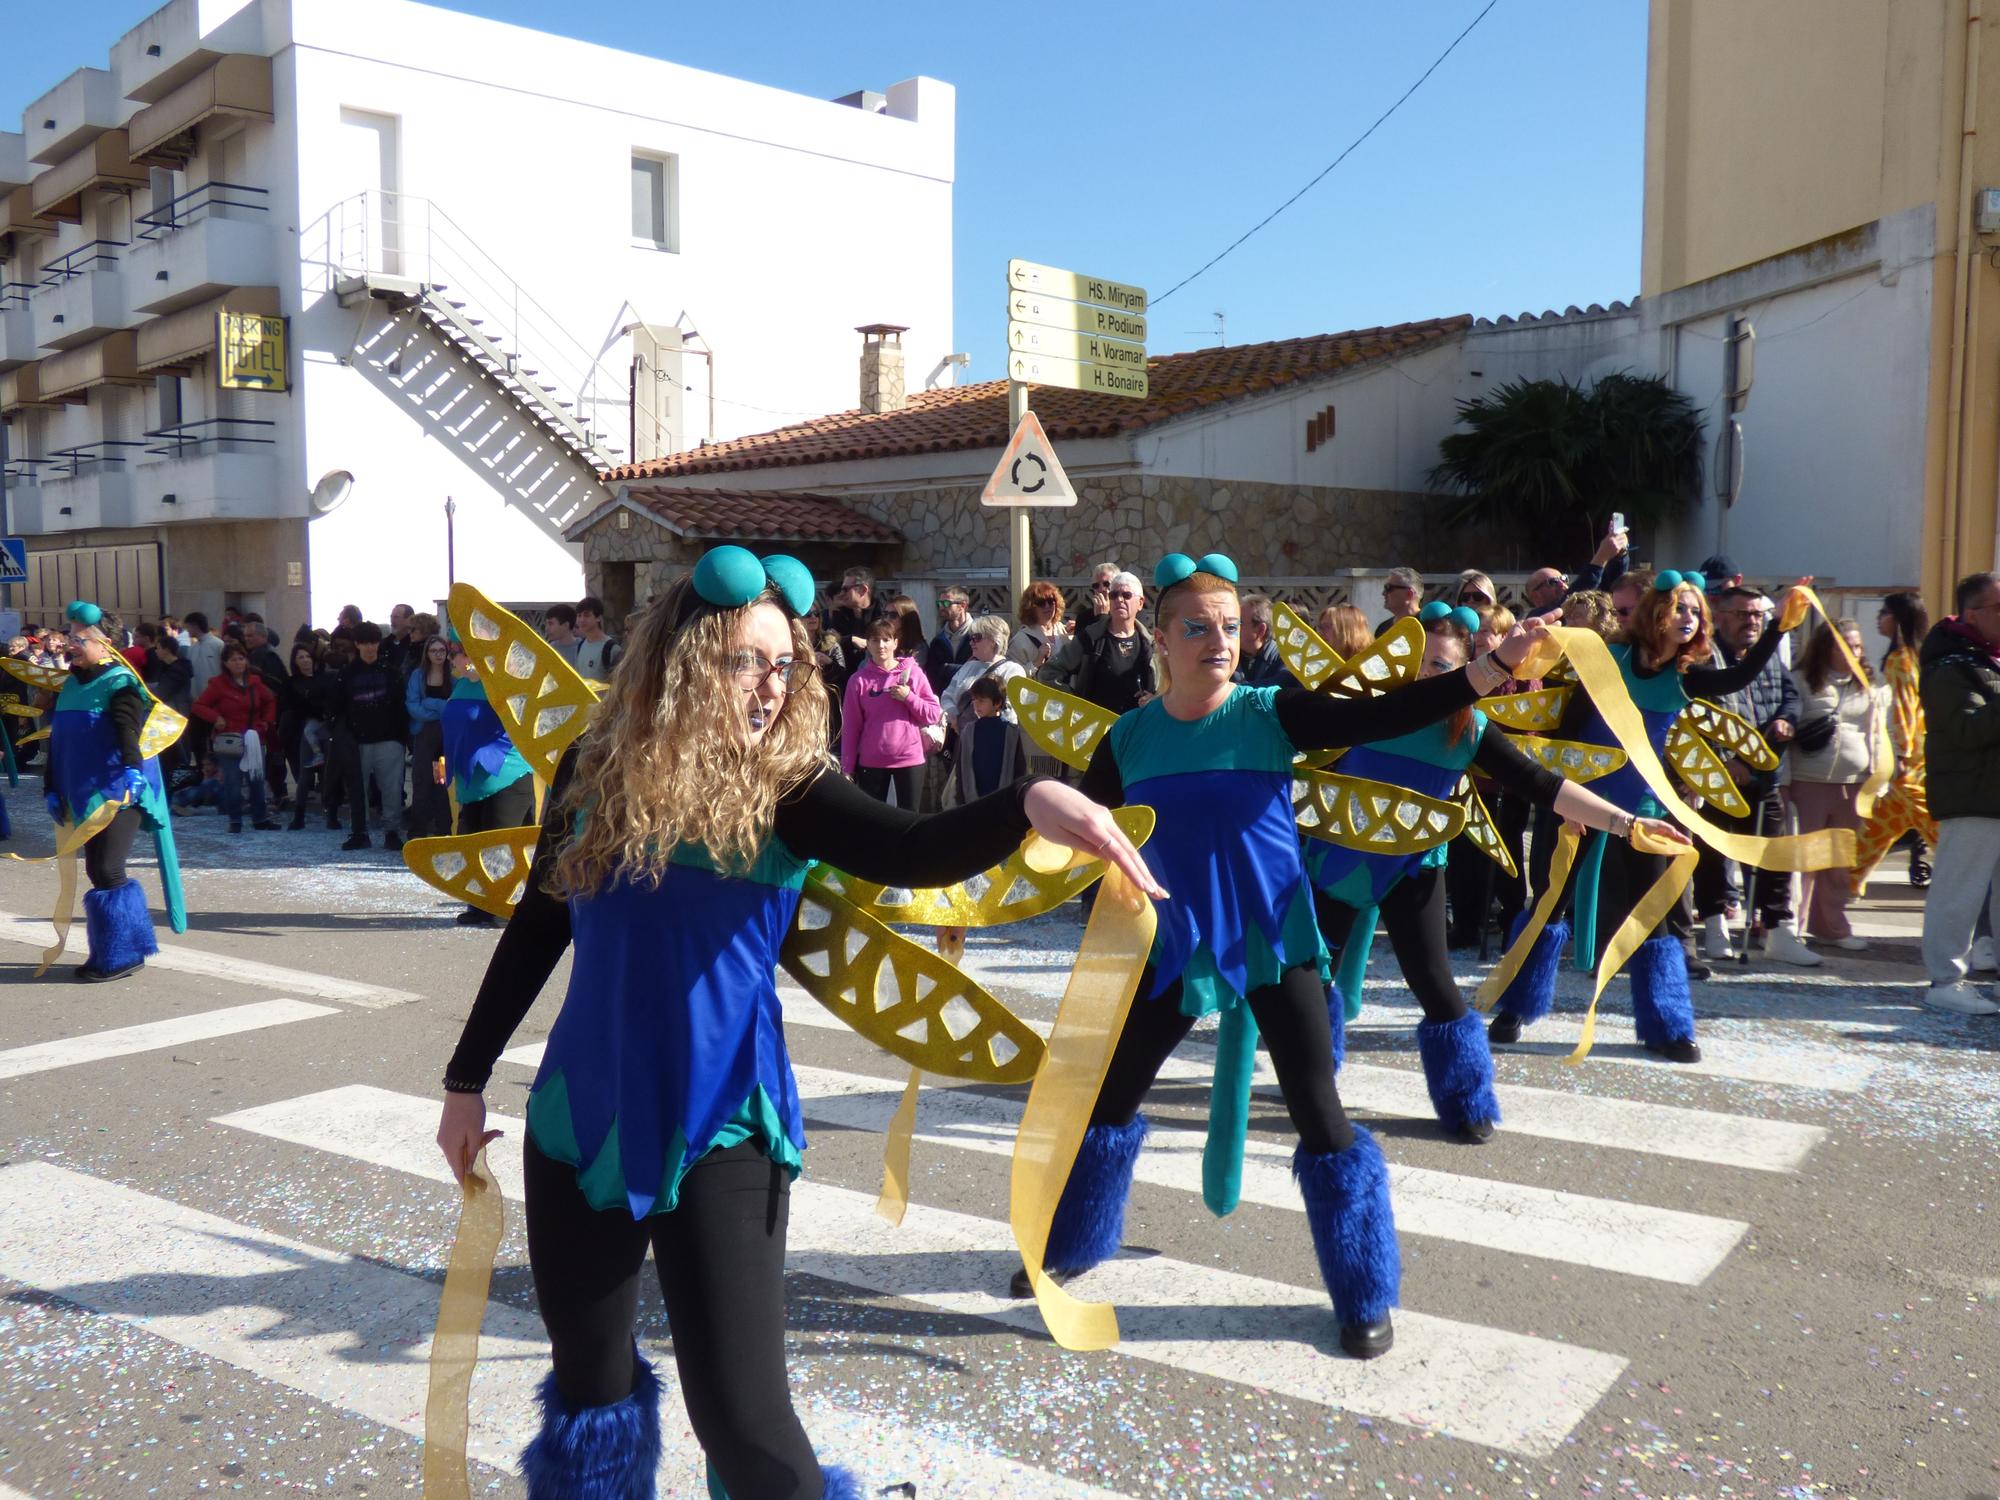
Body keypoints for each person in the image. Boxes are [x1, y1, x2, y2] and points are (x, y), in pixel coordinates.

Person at [434, 545, 1157, 1499]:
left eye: (785, 664)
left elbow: (913, 848)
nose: (772, 685)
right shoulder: (595, 764)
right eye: (746, 661)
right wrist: (464, 1080)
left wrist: (1027, 800)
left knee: (744, 1421)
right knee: (591, 1385)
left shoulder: (790, 787)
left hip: (725, 1128)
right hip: (581, 1126)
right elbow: (538, 924)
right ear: (688, 659)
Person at [1012, 551, 1551, 1361]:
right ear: (1161, 637)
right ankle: (1073, 1242)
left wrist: (1493, 667)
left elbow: (1387, 712)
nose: (1218, 641)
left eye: (1229, 626)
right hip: (1172, 946)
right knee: (1110, 1101)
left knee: (1319, 1111)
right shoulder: (1127, 740)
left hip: (1273, 941)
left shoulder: (1271, 712)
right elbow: (1086, 836)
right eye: (1197, 627)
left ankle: (1365, 1290)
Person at [1308, 605, 1687, 1142]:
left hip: (1411, 868)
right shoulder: (1362, 708)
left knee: (1436, 985)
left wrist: (1629, 825)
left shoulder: (1472, 729)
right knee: (1312, 973)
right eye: (1418, 663)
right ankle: (1312, 1080)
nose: (1427, 676)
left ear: (1467, 676)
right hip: (1337, 860)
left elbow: (1545, 785)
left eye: (1442, 666)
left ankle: (1467, 1099)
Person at [1489, 569, 1816, 1062]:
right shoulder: (1609, 659)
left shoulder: (1687, 676)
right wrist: (1565, 805)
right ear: (1656, 612)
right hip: (1580, 801)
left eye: (1696, 611)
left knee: (1653, 916)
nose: (1690, 618)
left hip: (1643, 810)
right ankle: (1515, 1007)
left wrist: (1779, 628)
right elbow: (1571, 729)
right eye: (1681, 608)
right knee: (1549, 904)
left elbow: (1739, 677)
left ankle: (1666, 1026)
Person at [42, 601, 186, 980]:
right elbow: (59, 741)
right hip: (87, 792)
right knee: (97, 868)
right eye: (70, 635)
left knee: (108, 868)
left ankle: (120, 955)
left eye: (80, 638)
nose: (71, 643)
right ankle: (122, 948)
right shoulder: (72, 683)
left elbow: (128, 730)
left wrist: (132, 773)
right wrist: (51, 787)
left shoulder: (121, 682)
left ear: (106, 644)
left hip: (122, 789)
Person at [1692, 585, 1817, 967]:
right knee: (1712, 854)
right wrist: (1725, 759)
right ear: (1721, 616)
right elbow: (1698, 713)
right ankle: (1715, 927)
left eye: (1757, 616)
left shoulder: (1766, 655)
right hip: (1719, 775)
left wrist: (1785, 719)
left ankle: (1779, 930)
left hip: (1765, 772)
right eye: (1743, 615)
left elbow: (1789, 694)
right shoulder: (1702, 656)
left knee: (1773, 855)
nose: (1751, 622)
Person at [1916, 572, 2000, 1014]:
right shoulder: (1949, 667)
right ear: (1973, 613)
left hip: (1993, 795)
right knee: (1959, 891)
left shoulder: (1989, 660)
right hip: (1972, 795)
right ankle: (1945, 980)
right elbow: (1968, 730)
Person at [1787, 618, 1880, 950]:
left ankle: (1833, 927)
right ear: (1825, 648)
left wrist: (1877, 778)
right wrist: (1783, 781)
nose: (1854, 652)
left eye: (1857, 646)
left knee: (1839, 864)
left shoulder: (1866, 685)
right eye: (1846, 646)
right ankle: (1792, 928)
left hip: (1853, 784)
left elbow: (1875, 734)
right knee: (1803, 861)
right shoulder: (1800, 681)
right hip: (1809, 780)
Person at [441, 636, 535, 925]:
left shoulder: (500, 684)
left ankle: (504, 906)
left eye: (457, 652)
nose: (453, 658)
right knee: (472, 838)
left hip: (506, 773)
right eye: (453, 652)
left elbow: (524, 720)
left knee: (499, 841)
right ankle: (480, 904)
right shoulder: (461, 685)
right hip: (471, 777)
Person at [1852, 592, 1938, 893]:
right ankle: (1838, 895)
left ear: (1899, 619)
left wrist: (1901, 755)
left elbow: (1903, 711)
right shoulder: (1915, 657)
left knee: (1943, 836)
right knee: (1870, 834)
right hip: (1919, 763)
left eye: (1884, 612)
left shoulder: (1899, 660)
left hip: (1909, 770)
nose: (1879, 618)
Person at [840, 617, 939, 807]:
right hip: (872, 760)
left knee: (909, 819)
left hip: (909, 758)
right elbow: (851, 727)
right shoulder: (858, 680)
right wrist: (847, 767)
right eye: (875, 640)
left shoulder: (913, 673)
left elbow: (933, 714)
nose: (881, 645)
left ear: (895, 643)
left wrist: (909, 697)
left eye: (886, 640)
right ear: (867, 644)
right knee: (874, 822)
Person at [189, 641, 280, 833]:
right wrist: (216, 718)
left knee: (256, 780)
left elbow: (270, 700)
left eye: (241, 658)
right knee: (233, 781)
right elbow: (199, 706)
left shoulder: (255, 683)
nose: (238, 663)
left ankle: (260, 818)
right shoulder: (218, 685)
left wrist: (265, 722)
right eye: (233, 659)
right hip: (229, 740)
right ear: (226, 663)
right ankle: (235, 820)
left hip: (253, 738)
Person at [331, 622, 406, 851]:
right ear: (357, 644)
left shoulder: (391, 672)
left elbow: (400, 706)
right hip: (358, 742)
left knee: (392, 789)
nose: (370, 647)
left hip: (389, 740)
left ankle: (392, 832)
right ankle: (359, 832)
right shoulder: (346, 675)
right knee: (357, 789)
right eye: (365, 642)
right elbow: (336, 709)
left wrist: (401, 738)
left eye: (373, 642)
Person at [1039, 571, 1153, 714]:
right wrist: (1075, 704)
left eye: (1126, 595)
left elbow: (1169, 687)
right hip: (1096, 731)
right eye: (1114, 595)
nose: (1119, 600)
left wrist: (1156, 699)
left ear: (1140, 603)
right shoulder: (1091, 637)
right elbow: (1048, 672)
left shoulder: (1149, 644)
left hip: (1137, 730)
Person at [405, 633, 456, 839]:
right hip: (424, 733)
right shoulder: (418, 675)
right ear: (427, 653)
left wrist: (433, 705)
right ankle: (418, 830)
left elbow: (453, 706)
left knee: (443, 780)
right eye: (434, 650)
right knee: (422, 779)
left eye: (442, 650)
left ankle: (444, 827)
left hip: (446, 734)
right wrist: (438, 710)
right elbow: (412, 705)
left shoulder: (453, 675)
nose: (438, 654)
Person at [939, 616, 1026, 730]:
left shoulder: (1012, 670)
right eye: (970, 638)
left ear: (994, 641)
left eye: (977, 638)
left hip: (992, 737)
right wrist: (954, 716)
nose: (971, 642)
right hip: (962, 736)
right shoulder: (968, 666)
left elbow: (1010, 711)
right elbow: (947, 695)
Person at [280, 642, 332, 831]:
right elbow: (291, 707)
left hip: (326, 728)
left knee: (328, 774)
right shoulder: (292, 682)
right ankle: (299, 815)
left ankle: (330, 813)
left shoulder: (324, 678)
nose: (305, 660)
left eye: (307, 656)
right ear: (295, 661)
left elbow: (330, 702)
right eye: (300, 657)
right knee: (305, 775)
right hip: (304, 732)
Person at [922, 586, 974, 693]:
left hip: (972, 701)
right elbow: (932, 676)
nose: (941, 607)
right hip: (944, 701)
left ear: (962, 606)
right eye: (939, 604)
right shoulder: (937, 641)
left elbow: (979, 671)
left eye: (946, 603)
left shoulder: (978, 636)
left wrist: (946, 669)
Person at [1009, 580, 1068, 670]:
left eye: (1051, 601)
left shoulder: (1062, 629)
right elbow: (1013, 676)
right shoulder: (1019, 640)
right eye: (1041, 603)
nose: (1047, 606)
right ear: (1030, 607)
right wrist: (1036, 663)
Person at [1233, 593, 1288, 686]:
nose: (1233, 628)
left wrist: (1233, 690)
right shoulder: (1229, 656)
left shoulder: (1285, 659)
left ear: (1261, 630)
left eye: (1239, 623)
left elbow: (1279, 687)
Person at [571, 596, 624, 685]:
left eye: (586, 615)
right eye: (579, 616)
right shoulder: (581, 645)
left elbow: (619, 684)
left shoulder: (611, 648)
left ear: (598, 618)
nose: (582, 620)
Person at [1377, 567, 1422, 632]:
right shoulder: (1382, 629)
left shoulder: (1428, 626)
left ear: (1409, 594)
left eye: (1388, 588)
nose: (1383, 593)